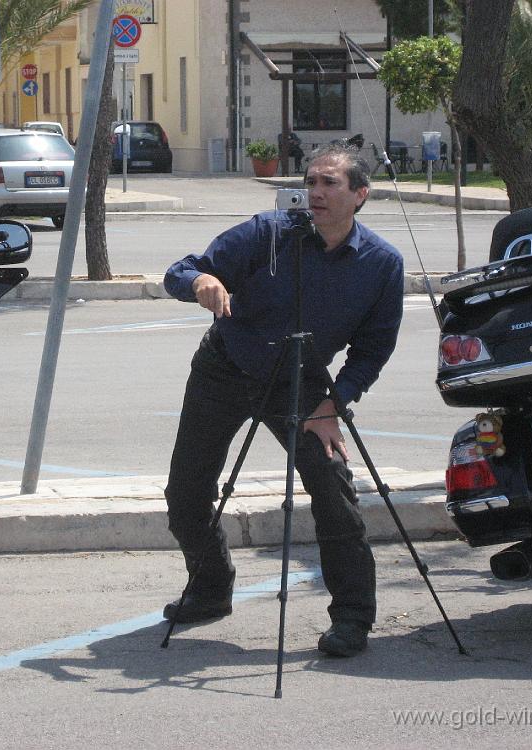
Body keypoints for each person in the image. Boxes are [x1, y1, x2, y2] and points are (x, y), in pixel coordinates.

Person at [161, 144, 404, 657]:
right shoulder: (267, 233)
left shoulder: (382, 264)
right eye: (310, 181)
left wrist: (335, 404)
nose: (315, 192)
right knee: (185, 493)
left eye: (329, 183)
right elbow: (182, 271)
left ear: (360, 195)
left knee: (335, 495)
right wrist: (201, 280)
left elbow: (373, 349)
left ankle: (353, 617)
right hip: (225, 368)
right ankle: (209, 589)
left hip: (301, 383)